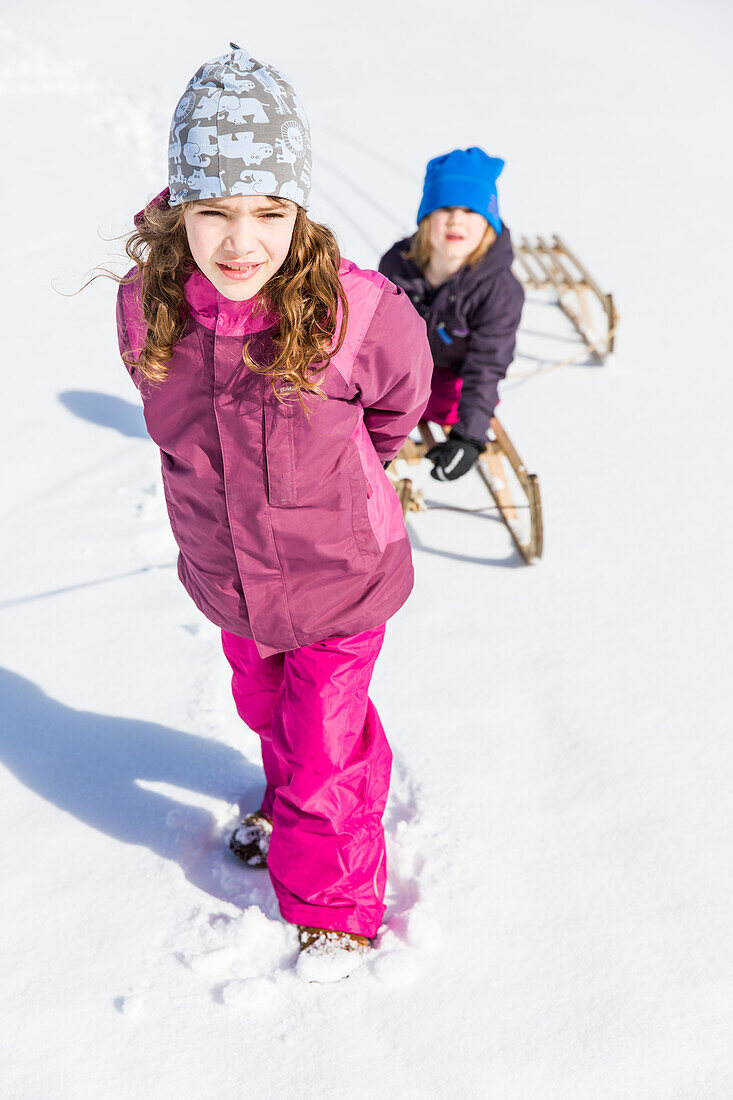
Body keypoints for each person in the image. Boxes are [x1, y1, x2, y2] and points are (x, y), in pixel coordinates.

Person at [114, 45, 432, 983]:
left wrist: (347, 483)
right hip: (228, 578)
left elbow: (397, 405)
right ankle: (292, 792)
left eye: (268, 212)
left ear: (300, 210)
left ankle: (332, 905)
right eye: (213, 210)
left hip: (340, 576)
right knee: (267, 710)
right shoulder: (149, 307)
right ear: (179, 210)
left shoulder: (359, 315)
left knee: (325, 738)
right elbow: (164, 413)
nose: (240, 239)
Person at [378, 147, 525, 481]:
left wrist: (469, 437)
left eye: (470, 210)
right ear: (428, 216)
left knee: (448, 399)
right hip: (401, 374)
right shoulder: (396, 265)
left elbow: (487, 365)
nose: (457, 219)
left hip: (452, 386)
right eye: (445, 208)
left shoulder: (499, 289)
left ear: (489, 222)